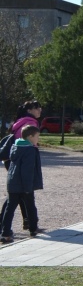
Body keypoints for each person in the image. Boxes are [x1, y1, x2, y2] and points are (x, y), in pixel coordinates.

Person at [0, 100, 41, 233]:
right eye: (37, 108)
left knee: (16, 193)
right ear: (29, 110)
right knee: (22, 193)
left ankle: (25, 222)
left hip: (13, 159)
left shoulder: (19, 122)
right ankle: (30, 224)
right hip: (24, 160)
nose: (39, 110)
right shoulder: (31, 123)